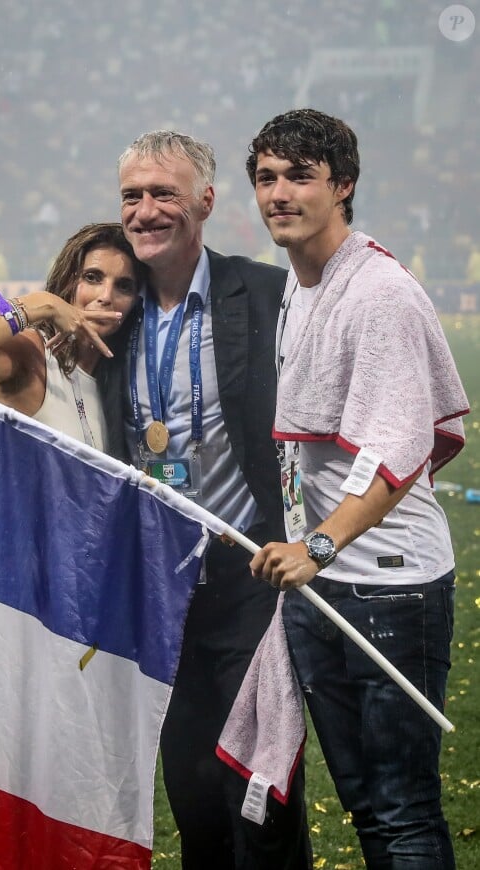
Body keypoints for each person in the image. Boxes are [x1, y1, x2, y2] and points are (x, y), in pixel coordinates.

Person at [247, 109, 469, 869]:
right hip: (322, 586)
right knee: (367, 806)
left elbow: (397, 452)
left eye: (300, 177)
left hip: (391, 588)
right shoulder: (302, 287)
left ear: (342, 185)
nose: (279, 193)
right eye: (267, 178)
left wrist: (314, 544)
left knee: (403, 812)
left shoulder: (379, 293)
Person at [106, 130, 311, 869]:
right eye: (133, 195)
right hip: (155, 589)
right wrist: (45, 307)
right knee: (191, 792)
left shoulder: (261, 292)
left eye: (165, 193)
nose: (147, 210)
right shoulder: (108, 303)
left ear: (206, 201)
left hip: (246, 577)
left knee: (261, 788)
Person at [0, 223, 141, 447]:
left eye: (124, 286)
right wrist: (45, 303)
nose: (105, 296)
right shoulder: (33, 353)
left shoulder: (118, 381)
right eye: (92, 277)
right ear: (67, 281)